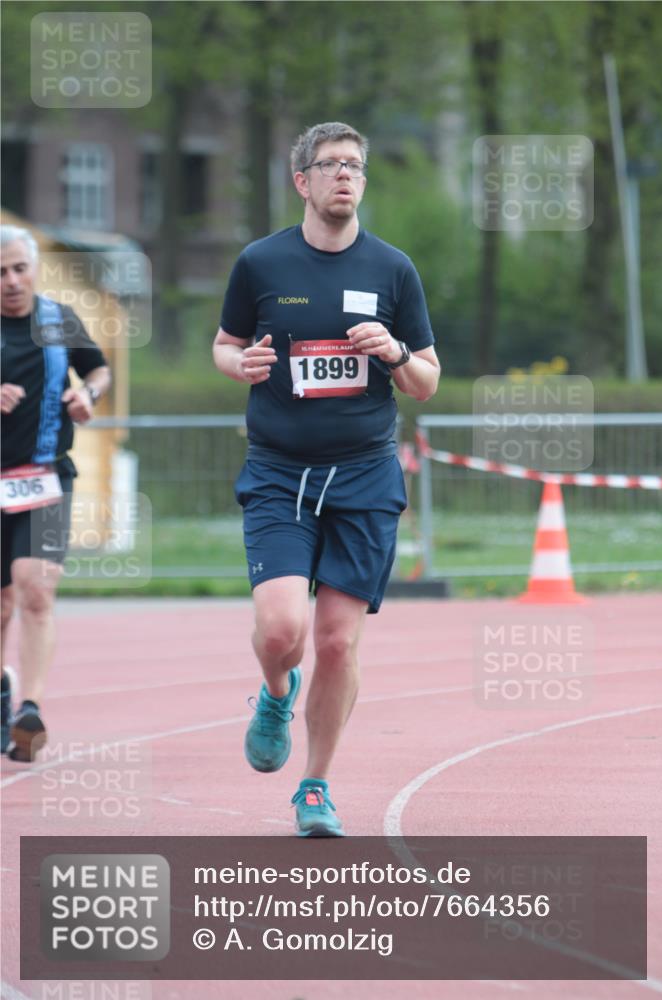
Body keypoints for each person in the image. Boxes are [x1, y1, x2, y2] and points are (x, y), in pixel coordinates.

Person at [213, 122, 440, 836]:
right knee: (283, 630)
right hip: (280, 472)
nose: (344, 174)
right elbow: (224, 344)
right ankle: (276, 693)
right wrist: (238, 364)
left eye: (355, 165)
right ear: (301, 181)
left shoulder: (393, 270)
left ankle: (314, 787)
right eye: (330, 164)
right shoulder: (260, 263)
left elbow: (426, 382)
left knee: (338, 642)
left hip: (365, 477)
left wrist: (397, 351)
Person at [1, 225, 111, 761]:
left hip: (45, 476)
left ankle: (31, 710)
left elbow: (98, 368)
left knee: (34, 588)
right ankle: (3, 687)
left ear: (34, 268)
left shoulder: (57, 319)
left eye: (20, 268)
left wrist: (85, 394)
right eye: (0, 273)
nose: (12, 281)